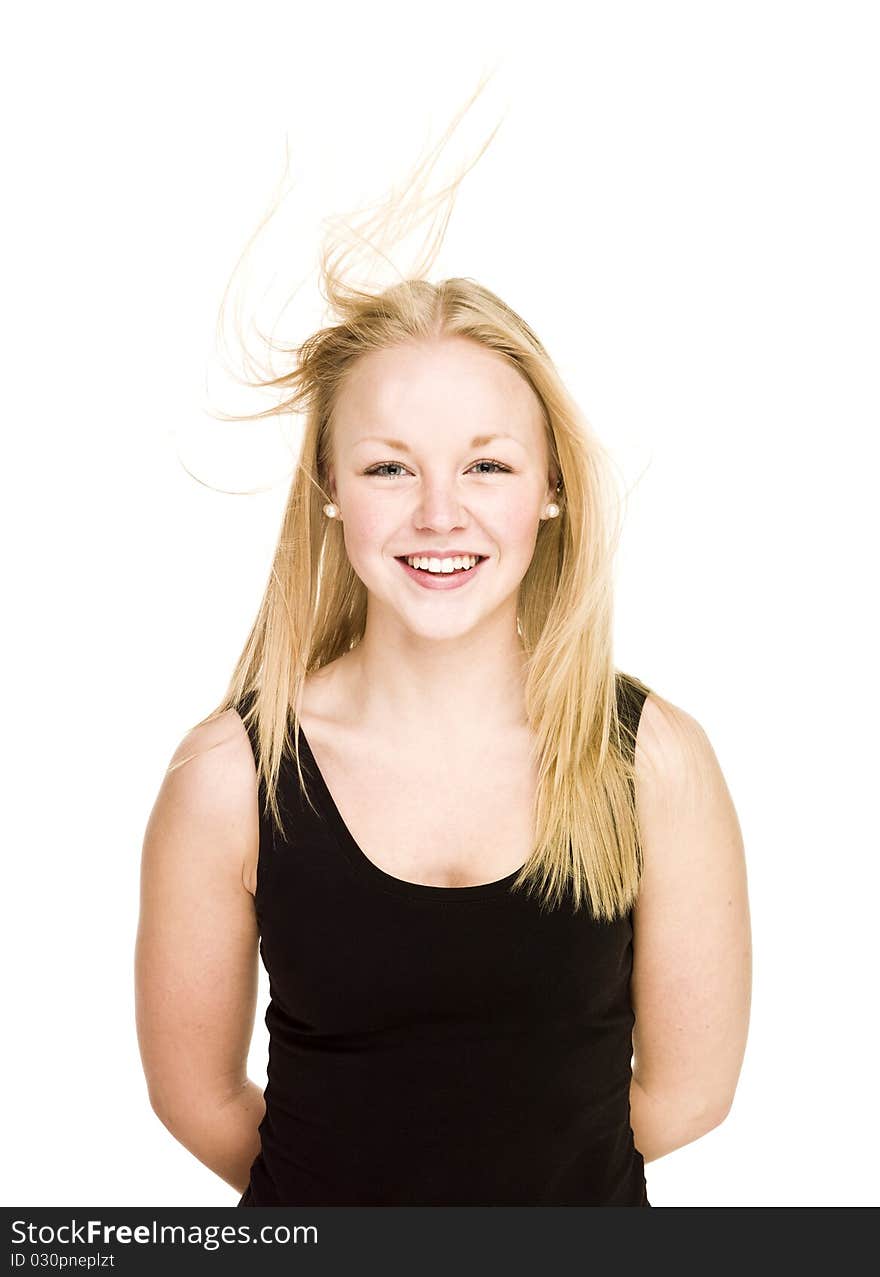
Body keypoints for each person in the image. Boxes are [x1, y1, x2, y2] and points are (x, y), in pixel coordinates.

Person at [134, 135, 751, 1206]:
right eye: (387, 466)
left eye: (486, 464)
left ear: (548, 487)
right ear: (330, 485)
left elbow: (689, 1095)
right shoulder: (227, 775)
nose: (437, 513)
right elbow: (197, 1098)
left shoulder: (655, 761)